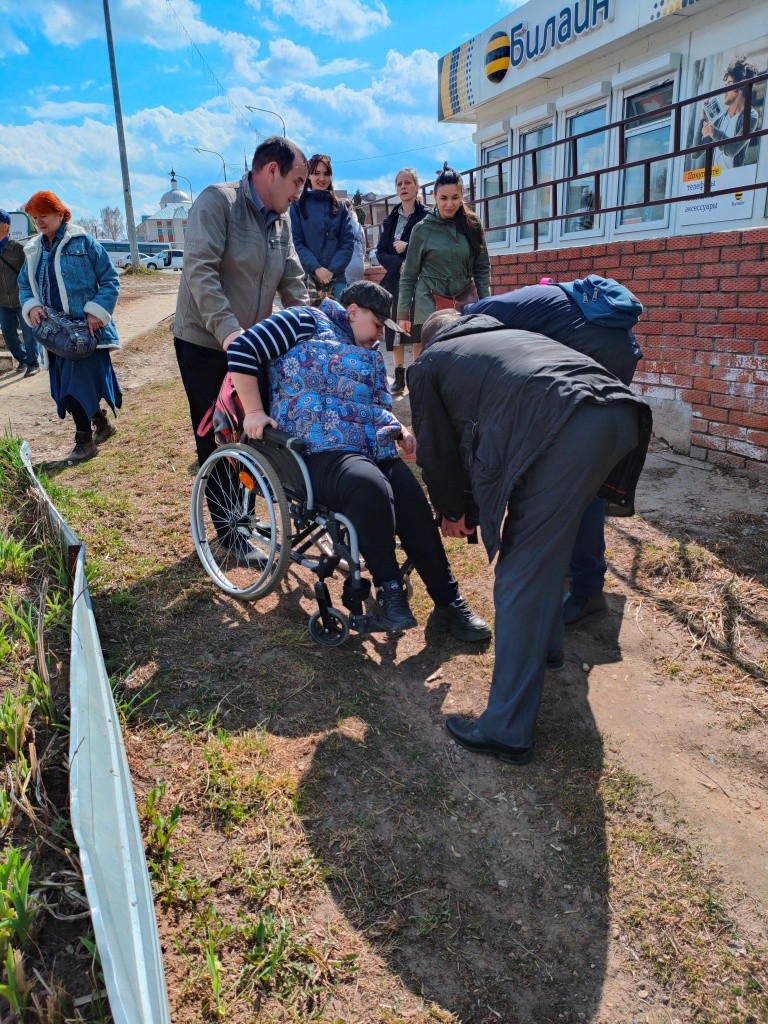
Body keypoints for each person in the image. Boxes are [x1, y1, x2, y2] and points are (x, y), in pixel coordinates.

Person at [407, 308, 652, 764]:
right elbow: (478, 439)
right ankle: (547, 651)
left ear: (428, 342)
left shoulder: (432, 361)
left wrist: (452, 512)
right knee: (549, 547)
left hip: (568, 425)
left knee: (520, 571)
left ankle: (506, 729)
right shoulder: (508, 337)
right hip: (620, 414)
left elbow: (438, 452)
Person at [224, 280, 491, 642]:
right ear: (352, 312)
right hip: (311, 449)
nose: (379, 337)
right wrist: (254, 410)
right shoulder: (302, 320)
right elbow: (242, 348)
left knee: (411, 496)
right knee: (369, 486)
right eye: (378, 326)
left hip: (366, 445)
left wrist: (398, 428)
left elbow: (374, 405)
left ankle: (449, 602)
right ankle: (391, 595)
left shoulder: (364, 350)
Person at [461, 281, 643, 628]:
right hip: (621, 353)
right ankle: (577, 574)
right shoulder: (537, 302)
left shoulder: (482, 315)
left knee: (576, 476)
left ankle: (587, 590)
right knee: (587, 467)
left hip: (588, 355)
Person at [173, 135, 309, 558]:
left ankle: (243, 520)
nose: (299, 192)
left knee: (251, 431)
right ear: (272, 171)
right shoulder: (218, 203)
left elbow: (293, 281)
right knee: (218, 435)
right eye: (298, 181)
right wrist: (230, 332)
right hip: (205, 341)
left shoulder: (281, 221)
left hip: (251, 347)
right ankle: (230, 535)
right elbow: (200, 271)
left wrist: (313, 325)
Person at [18, 192, 120, 462]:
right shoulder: (33, 250)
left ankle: (84, 442)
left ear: (61, 214)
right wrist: (32, 306)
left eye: (44, 215)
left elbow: (110, 279)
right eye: (34, 216)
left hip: (87, 332)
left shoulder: (84, 242)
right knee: (67, 385)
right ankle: (102, 423)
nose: (39, 221)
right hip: (55, 335)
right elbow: (24, 286)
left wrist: (96, 312)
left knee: (75, 386)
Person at [396, 163, 491, 369]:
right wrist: (403, 314)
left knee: (463, 360)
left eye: (455, 198)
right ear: (433, 196)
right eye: (443, 198)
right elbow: (409, 275)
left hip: (465, 300)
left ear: (462, 195)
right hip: (429, 301)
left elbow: (482, 269)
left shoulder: (473, 225)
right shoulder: (421, 230)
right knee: (427, 361)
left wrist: (486, 304)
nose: (449, 204)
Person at [375, 168, 428, 393]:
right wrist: (400, 264)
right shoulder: (390, 219)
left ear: (416, 186)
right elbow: (380, 252)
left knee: (416, 329)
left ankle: (414, 374)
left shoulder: (426, 217)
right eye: (399, 184)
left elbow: (431, 247)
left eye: (408, 183)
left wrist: (409, 249)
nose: (403, 187)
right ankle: (398, 376)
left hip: (419, 280)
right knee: (395, 327)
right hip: (396, 279)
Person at [290, 154, 355, 302]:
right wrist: (316, 269)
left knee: (339, 324)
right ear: (308, 175)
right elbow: (297, 242)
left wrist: (331, 271)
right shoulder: (297, 206)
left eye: (326, 174)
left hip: (337, 278)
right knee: (310, 324)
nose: (321, 178)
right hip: (308, 278)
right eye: (316, 173)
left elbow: (347, 243)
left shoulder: (340, 208)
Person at [693, 55, 760, 170]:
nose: (725, 90)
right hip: (714, 181)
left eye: (729, 84)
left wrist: (714, 132)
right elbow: (695, 154)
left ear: (742, 84)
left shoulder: (751, 116)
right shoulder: (720, 119)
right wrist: (702, 119)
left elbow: (732, 150)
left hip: (733, 183)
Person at [0, 208, 41, 378]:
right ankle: (22, 359)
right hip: (2, 302)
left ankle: (33, 363)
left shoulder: (17, 249)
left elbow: (29, 274)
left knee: (29, 334)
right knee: (9, 335)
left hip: (21, 300)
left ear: (5, 226)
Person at [343, 200, 366, 285]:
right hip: (358, 264)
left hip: (343, 266)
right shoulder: (358, 226)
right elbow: (364, 248)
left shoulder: (337, 225)